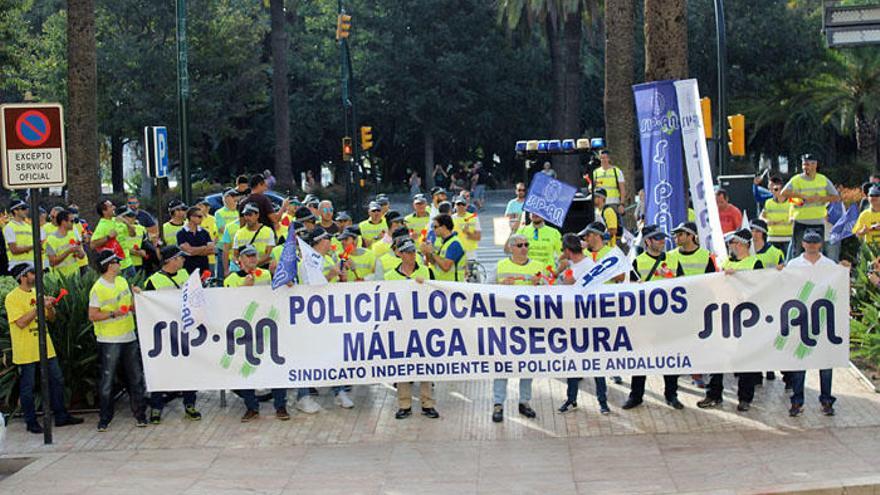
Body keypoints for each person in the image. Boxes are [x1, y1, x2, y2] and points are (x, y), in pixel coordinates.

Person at [6, 263, 84, 433]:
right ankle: (31, 421)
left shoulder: (36, 293)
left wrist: (49, 308)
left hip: (45, 347)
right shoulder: (12, 298)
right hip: (26, 349)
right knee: (28, 386)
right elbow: (20, 323)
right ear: (23, 277)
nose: (36, 276)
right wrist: (38, 307)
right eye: (32, 273)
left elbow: (52, 319)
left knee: (57, 380)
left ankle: (61, 415)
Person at [697, 229, 764, 412]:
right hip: (723, 316)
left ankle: (745, 398)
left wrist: (738, 278)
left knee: (745, 360)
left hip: (746, 319)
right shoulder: (726, 262)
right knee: (716, 357)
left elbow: (761, 287)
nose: (731, 246)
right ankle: (714, 394)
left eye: (733, 243)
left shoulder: (755, 263)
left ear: (743, 244)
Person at [226, 246, 291, 422]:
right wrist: (244, 288)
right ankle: (251, 407)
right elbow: (229, 303)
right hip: (245, 330)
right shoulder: (232, 278)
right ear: (240, 259)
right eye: (248, 256)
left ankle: (281, 406)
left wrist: (285, 281)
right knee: (246, 370)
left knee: (276, 367)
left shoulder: (266, 274)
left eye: (254, 255)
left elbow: (279, 291)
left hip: (268, 326)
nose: (253, 259)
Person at [624, 225, 684, 410]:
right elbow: (631, 292)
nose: (662, 241)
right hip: (646, 321)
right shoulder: (638, 262)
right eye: (657, 238)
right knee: (641, 358)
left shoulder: (673, 260)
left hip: (668, 320)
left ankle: (671, 394)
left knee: (670, 357)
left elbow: (684, 285)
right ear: (647, 241)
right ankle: (636, 395)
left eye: (662, 238)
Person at [88, 250, 147, 431]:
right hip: (109, 339)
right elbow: (92, 315)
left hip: (128, 335)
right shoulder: (98, 288)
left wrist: (138, 296)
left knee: (136, 377)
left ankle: (140, 414)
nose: (120, 264)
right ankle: (105, 417)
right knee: (107, 379)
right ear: (109, 265)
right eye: (117, 262)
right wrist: (114, 313)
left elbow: (131, 307)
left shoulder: (122, 282)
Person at [144, 246, 202, 423]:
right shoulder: (153, 281)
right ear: (170, 260)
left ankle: (190, 404)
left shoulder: (186, 275)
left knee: (189, 369)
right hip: (163, 334)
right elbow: (147, 305)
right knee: (160, 371)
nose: (183, 260)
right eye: (180, 258)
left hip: (185, 332)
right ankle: (156, 407)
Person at [786, 230, 840, 417]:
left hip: (824, 321)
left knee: (826, 364)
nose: (811, 246)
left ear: (820, 245)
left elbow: (839, 286)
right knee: (800, 364)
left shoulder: (830, 265)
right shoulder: (793, 265)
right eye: (808, 242)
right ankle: (797, 401)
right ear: (803, 244)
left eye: (814, 243)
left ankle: (826, 400)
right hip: (801, 320)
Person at [384, 238, 440, 420]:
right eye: (407, 252)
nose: (411, 255)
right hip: (401, 327)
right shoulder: (389, 276)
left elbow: (436, 295)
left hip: (423, 326)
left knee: (425, 365)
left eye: (413, 251)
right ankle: (404, 404)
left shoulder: (426, 271)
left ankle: (427, 403)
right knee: (402, 366)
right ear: (399, 253)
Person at [491, 234, 544, 422]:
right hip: (505, 323)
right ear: (511, 247)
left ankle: (524, 402)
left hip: (529, 324)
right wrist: (499, 285)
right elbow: (483, 290)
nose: (524, 248)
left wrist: (541, 286)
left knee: (527, 363)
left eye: (526, 245)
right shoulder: (501, 266)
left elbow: (553, 290)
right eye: (520, 245)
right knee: (502, 364)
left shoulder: (538, 266)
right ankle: (498, 404)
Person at [558, 232, 611, 414]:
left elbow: (593, 290)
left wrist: (572, 283)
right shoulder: (571, 265)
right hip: (572, 321)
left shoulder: (589, 265)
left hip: (589, 322)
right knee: (573, 363)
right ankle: (571, 399)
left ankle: (602, 401)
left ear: (567, 250)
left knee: (596, 363)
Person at [780, 154, 840, 259]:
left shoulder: (822, 179)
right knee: (796, 252)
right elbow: (784, 193)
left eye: (807, 164)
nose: (805, 167)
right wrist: (802, 196)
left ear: (815, 165)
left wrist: (820, 198)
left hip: (817, 221)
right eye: (804, 164)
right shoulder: (797, 179)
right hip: (800, 221)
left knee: (817, 253)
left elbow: (836, 197)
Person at [420, 214, 466, 282]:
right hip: (442, 284)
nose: (433, 229)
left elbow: (445, 267)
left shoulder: (454, 244)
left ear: (444, 227)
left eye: (435, 227)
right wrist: (427, 252)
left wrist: (432, 252)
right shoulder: (444, 242)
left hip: (453, 285)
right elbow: (434, 262)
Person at [45, 210, 86, 278]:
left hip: (75, 275)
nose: (73, 223)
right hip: (61, 278)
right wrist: (68, 251)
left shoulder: (73, 234)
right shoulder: (51, 239)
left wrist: (79, 251)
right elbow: (52, 262)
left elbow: (82, 256)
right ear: (64, 222)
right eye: (71, 221)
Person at [233, 203, 275, 268]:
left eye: (250, 215)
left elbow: (269, 254)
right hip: (245, 270)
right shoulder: (239, 233)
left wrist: (253, 264)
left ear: (257, 215)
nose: (247, 218)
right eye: (245, 215)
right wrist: (239, 264)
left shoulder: (268, 231)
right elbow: (235, 255)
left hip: (263, 268)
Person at [759, 176, 793, 254]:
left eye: (776, 189)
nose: (773, 191)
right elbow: (761, 216)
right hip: (772, 237)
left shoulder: (792, 201)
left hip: (788, 237)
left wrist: (791, 220)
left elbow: (799, 213)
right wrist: (766, 221)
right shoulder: (768, 202)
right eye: (772, 189)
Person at [177, 206, 214, 276]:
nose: (202, 219)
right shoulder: (181, 233)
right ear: (191, 217)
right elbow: (188, 251)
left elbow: (211, 250)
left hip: (204, 269)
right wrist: (204, 247)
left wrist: (194, 250)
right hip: (188, 269)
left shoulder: (205, 232)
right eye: (200, 216)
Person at [214, 189, 241, 277]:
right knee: (223, 275)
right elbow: (222, 229)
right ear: (225, 198)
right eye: (231, 196)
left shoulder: (239, 212)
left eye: (235, 196)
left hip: (237, 247)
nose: (234, 199)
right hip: (224, 247)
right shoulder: (219, 213)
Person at [4, 200, 36, 273]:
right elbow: (14, 250)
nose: (26, 210)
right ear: (15, 211)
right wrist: (33, 247)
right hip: (17, 265)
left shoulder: (29, 226)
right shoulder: (9, 227)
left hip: (31, 264)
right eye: (23, 208)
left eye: (26, 208)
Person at [452, 196, 481, 263]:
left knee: (471, 272)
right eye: (458, 204)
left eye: (463, 204)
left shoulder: (473, 217)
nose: (461, 207)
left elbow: (478, 237)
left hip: (470, 252)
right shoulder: (451, 219)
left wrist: (468, 233)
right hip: (456, 251)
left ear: (466, 206)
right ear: (455, 206)